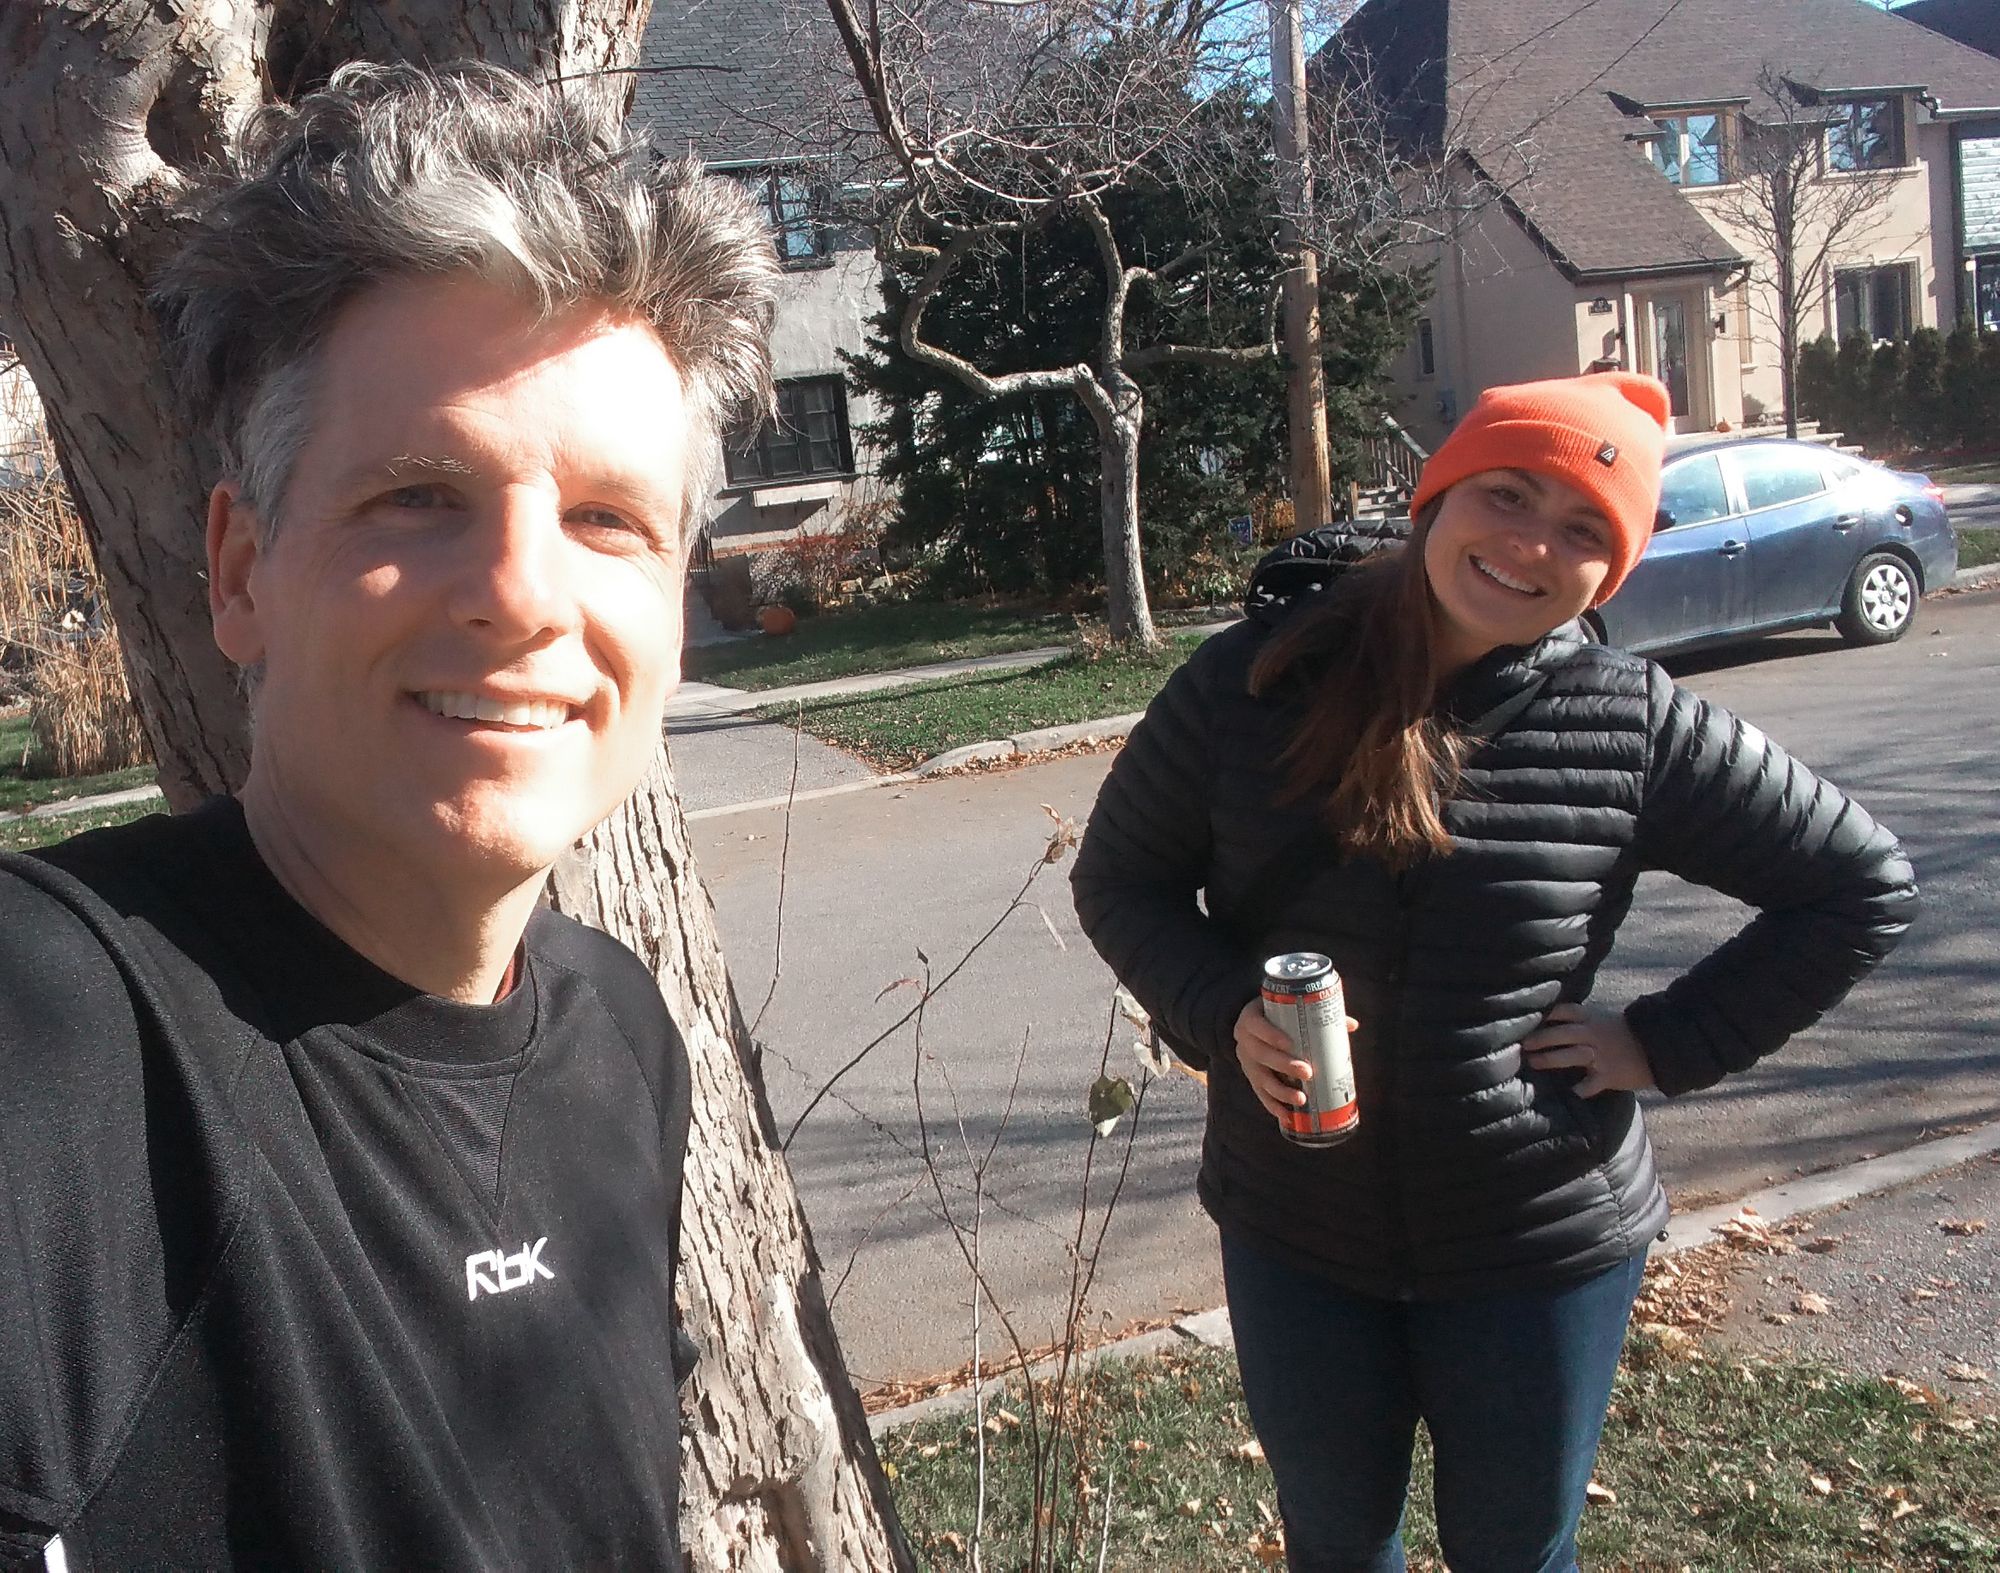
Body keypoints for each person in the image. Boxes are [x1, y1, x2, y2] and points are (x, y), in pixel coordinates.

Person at [0, 63, 778, 1571]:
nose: (523, 593)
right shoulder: (53, 1047)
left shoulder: (625, 1041)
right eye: (418, 496)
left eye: (608, 519)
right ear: (241, 573)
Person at [1070, 372, 1917, 1573]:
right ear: (1438, 496)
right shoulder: (1249, 681)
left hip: (1536, 1243)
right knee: (1335, 1546)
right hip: (1295, 1230)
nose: (1529, 546)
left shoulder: (1628, 720)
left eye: (1582, 529)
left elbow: (1856, 883)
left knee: (1515, 1554)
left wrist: (1661, 1042)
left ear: (1609, 572)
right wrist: (1221, 1010)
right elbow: (1119, 881)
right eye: (1506, 495)